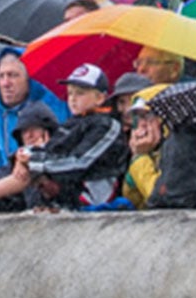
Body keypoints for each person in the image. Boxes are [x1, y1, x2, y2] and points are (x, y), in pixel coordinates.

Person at [0, 49, 69, 197]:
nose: (6, 83)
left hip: (45, 182)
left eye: (13, 75)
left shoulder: (55, 105)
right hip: (2, 189)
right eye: (1, 76)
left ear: (28, 78)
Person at [26, 64, 128, 207]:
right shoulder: (72, 123)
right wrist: (25, 156)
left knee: (25, 174)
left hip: (92, 194)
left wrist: (37, 164)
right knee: (21, 172)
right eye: (70, 93)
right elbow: (53, 150)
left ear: (99, 98)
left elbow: (80, 162)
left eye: (80, 93)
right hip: (68, 187)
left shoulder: (107, 125)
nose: (72, 99)